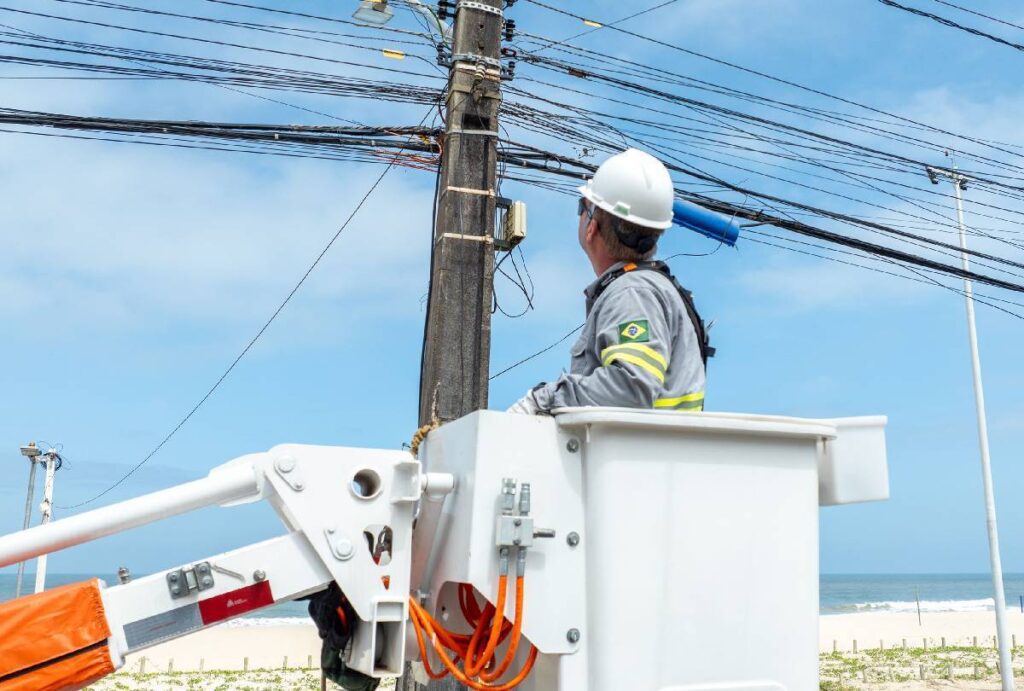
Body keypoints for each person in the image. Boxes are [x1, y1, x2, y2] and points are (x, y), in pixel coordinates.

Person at [508, 148, 710, 415]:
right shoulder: (647, 289)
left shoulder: (633, 293)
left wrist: (542, 400)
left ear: (592, 226)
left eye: (583, 207)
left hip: (636, 444)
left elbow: (631, 389)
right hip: (654, 443)